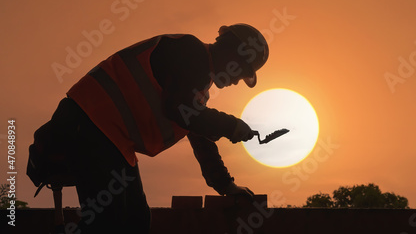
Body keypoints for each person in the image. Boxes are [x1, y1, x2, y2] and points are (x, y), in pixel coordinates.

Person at [39, 23, 269, 233]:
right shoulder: (192, 52)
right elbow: (179, 109)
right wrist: (231, 125)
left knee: (136, 221)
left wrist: (226, 184)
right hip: (90, 124)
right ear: (233, 54)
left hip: (112, 139)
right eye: (242, 71)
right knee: (108, 222)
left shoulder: (197, 84)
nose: (237, 81)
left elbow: (198, 134)